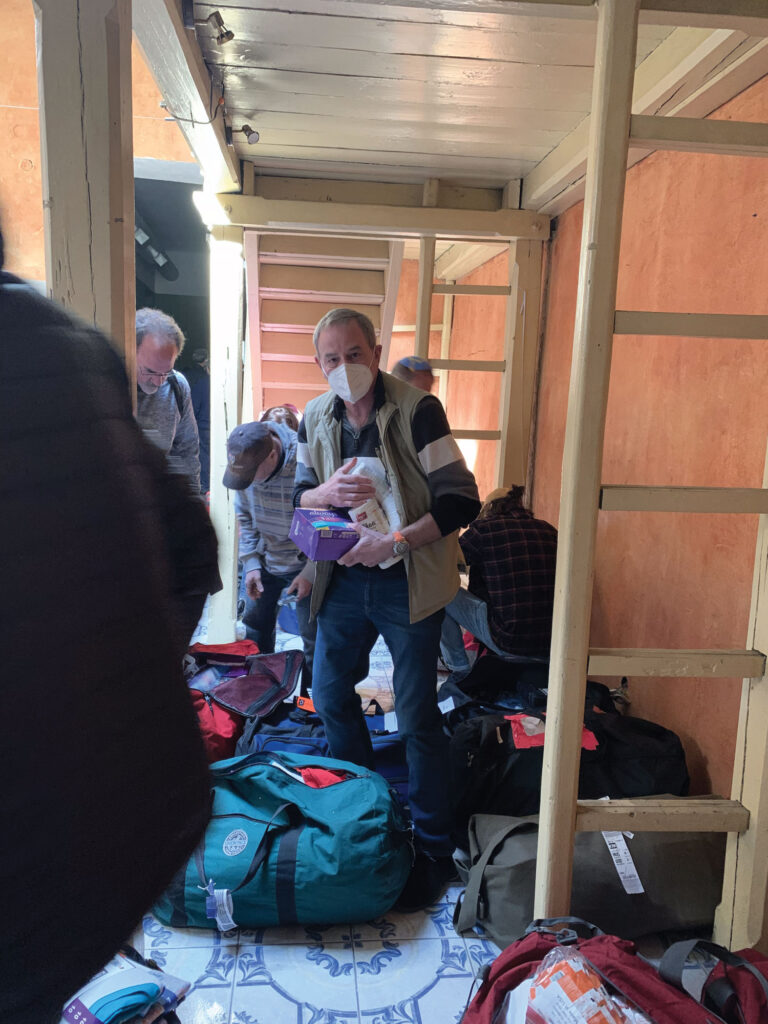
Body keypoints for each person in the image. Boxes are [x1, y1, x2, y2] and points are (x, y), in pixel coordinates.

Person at [0, 236, 212, 1024]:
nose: (155, 381)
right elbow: (195, 543)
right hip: (139, 806)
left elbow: (188, 503)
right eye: (150, 371)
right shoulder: (81, 355)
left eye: (160, 373)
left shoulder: (128, 380)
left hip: (45, 847)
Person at [294, 307, 480, 910]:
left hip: (408, 579)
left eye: (354, 354)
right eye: (331, 358)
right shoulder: (316, 417)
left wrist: (394, 541)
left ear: (375, 352)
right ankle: (361, 814)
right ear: (318, 364)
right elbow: (302, 499)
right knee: (328, 694)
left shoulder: (418, 411)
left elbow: (461, 501)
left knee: (419, 712)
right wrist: (325, 494)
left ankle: (431, 843)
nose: (343, 367)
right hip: (344, 579)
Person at [225, 421, 316, 684]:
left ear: (272, 455)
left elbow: (326, 521)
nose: (249, 480)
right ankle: (260, 692)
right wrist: (252, 563)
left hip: (305, 563)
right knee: (255, 628)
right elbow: (244, 516)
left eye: (254, 473)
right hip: (265, 560)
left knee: (314, 638)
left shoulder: (304, 464)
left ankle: (309, 705)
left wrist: (311, 570)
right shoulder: (245, 461)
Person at [440, 486, 558, 677]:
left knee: (436, 590)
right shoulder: (550, 531)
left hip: (509, 641)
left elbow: (443, 563)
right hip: (551, 645)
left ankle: (459, 670)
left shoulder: (484, 530)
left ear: (490, 508)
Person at [136, 307, 201, 492]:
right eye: (149, 371)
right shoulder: (112, 387)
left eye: (165, 371)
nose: (158, 381)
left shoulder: (177, 386)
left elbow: (188, 452)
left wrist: (191, 505)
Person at [181, 347, 211, 493]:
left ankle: (203, 486)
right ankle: (209, 486)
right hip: (211, 424)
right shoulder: (208, 381)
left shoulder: (186, 376)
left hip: (200, 423)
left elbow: (194, 405)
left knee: (200, 455)